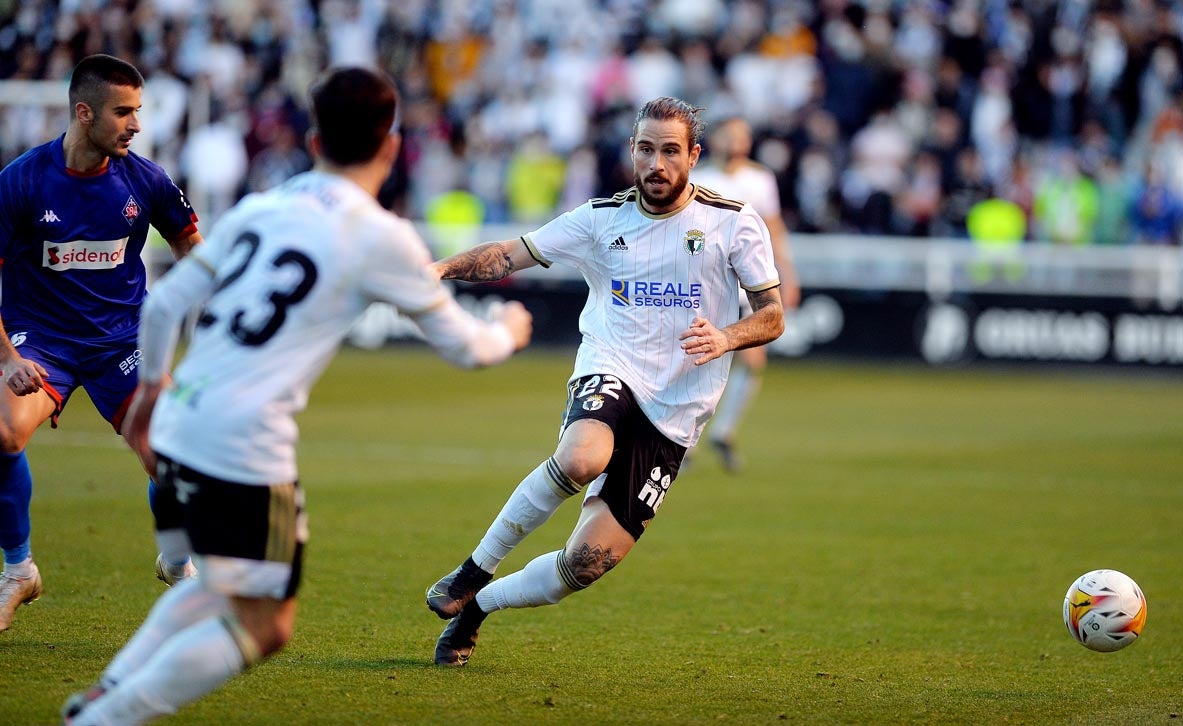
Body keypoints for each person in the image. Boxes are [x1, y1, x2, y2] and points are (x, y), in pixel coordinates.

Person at [62, 67, 532, 725]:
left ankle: (105, 696)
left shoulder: (262, 205)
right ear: (390, 148)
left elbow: (165, 302)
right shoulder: (379, 234)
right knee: (265, 625)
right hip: (242, 445)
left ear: (313, 142)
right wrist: (507, 329)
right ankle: (110, 715)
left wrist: (148, 391)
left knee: (222, 586)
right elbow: (466, 349)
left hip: (178, 419)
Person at [424, 97, 785, 666]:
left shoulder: (734, 222)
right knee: (582, 457)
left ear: (693, 155)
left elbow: (773, 314)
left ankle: (478, 608)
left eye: (671, 151)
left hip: (678, 408)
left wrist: (727, 337)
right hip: (612, 366)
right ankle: (471, 571)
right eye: (646, 149)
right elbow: (508, 255)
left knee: (587, 562)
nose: (657, 164)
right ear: (633, 153)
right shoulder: (599, 218)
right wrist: (439, 270)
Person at [0, 54, 203, 635]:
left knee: (168, 455)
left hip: (123, 340)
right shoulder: (20, 182)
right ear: (84, 113)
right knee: (4, 430)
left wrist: (184, 317)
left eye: (138, 111)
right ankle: (19, 571)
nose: (136, 124)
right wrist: (9, 360)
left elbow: (194, 249)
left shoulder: (146, 180)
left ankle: (177, 563)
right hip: (42, 341)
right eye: (124, 112)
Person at [690, 116, 800, 471]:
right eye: (730, 134)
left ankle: (723, 431)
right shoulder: (700, 178)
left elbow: (774, 227)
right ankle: (685, 438)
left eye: (743, 134)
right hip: (707, 282)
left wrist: (788, 273)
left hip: (748, 281)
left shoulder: (760, 179)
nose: (737, 140)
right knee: (697, 357)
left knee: (752, 359)